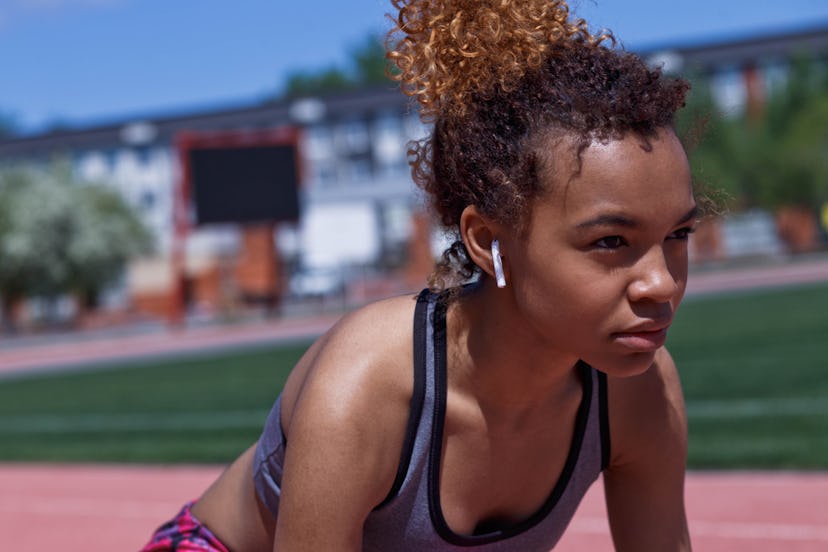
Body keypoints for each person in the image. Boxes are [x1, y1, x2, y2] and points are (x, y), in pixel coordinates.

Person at [141, 0, 698, 549]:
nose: (662, 284)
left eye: (677, 235)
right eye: (609, 242)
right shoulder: (371, 384)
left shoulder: (639, 391)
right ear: (487, 240)